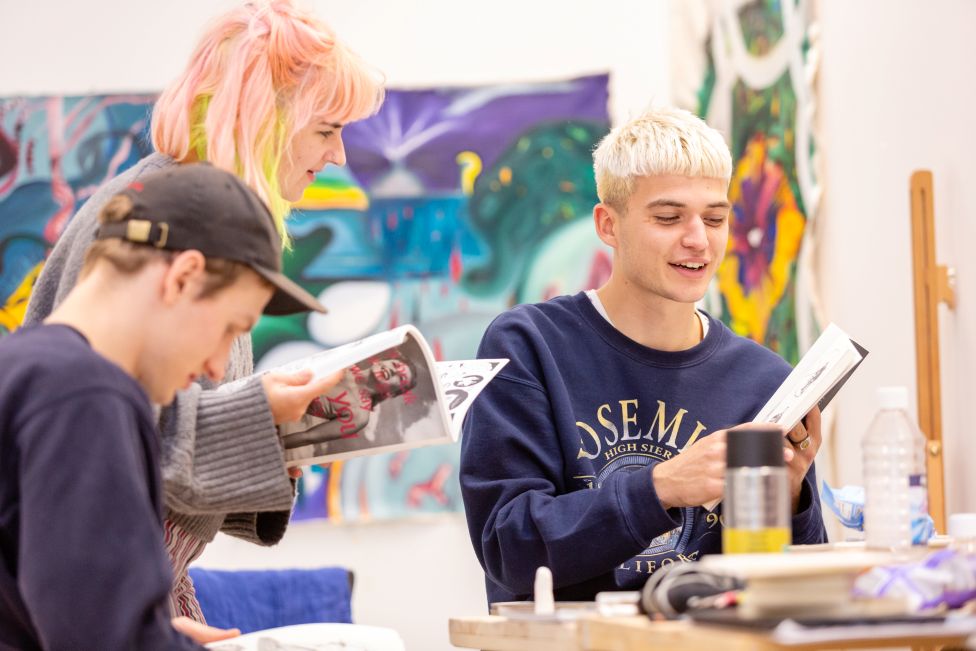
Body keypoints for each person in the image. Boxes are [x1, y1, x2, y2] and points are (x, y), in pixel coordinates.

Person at [22, 0, 384, 622]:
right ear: (261, 119)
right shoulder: (149, 223)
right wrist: (258, 414)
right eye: (326, 130)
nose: (339, 156)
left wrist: (284, 439)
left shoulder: (201, 226)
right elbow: (106, 438)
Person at [459, 107, 828, 604]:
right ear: (608, 225)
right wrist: (662, 487)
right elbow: (510, 548)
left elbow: (798, 594)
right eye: (669, 217)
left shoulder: (761, 378)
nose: (698, 239)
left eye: (715, 218)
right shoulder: (527, 346)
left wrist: (789, 496)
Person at [0, 164, 341, 649]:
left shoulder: (23, 370)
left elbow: (56, 611)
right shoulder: (88, 396)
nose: (219, 366)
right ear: (183, 277)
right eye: (228, 328)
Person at [279, 355, 418, 449]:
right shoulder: (345, 361)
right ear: (379, 361)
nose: (394, 370)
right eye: (395, 364)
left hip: (276, 407)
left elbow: (308, 437)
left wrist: (269, 447)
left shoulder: (359, 416)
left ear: (392, 393)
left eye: (401, 377)